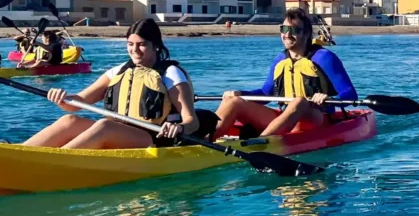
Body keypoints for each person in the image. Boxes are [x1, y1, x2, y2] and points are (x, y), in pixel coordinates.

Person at [23, 18, 201, 150]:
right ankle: (21, 152)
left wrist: (179, 127)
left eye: (142, 44)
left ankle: (55, 162)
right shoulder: (118, 71)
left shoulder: (170, 74)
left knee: (104, 126)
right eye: (130, 44)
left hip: (153, 138)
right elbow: (78, 102)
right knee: (68, 120)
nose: (134, 50)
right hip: (120, 133)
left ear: (155, 45)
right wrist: (62, 99)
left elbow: (192, 121)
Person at [213, 8, 358, 138]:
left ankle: (261, 143)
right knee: (232, 102)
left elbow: (350, 94)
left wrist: (327, 98)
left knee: (299, 101)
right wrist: (240, 93)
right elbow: (265, 94)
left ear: (306, 34)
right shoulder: (280, 60)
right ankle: (207, 139)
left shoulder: (325, 58)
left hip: (318, 117)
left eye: (294, 30)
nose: (287, 34)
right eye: (283, 29)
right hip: (285, 117)